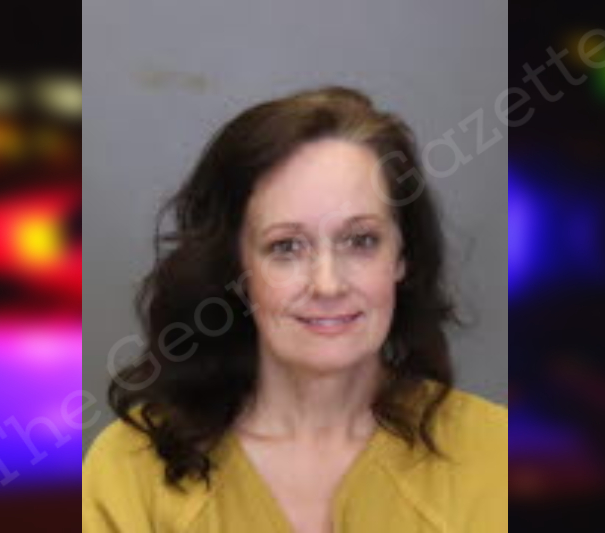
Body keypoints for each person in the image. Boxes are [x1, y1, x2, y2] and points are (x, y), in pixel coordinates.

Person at [82, 86, 507, 533]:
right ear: (237, 268)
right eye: (286, 246)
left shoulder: (498, 455)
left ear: (402, 256)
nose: (328, 284)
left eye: (361, 240)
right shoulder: (129, 471)